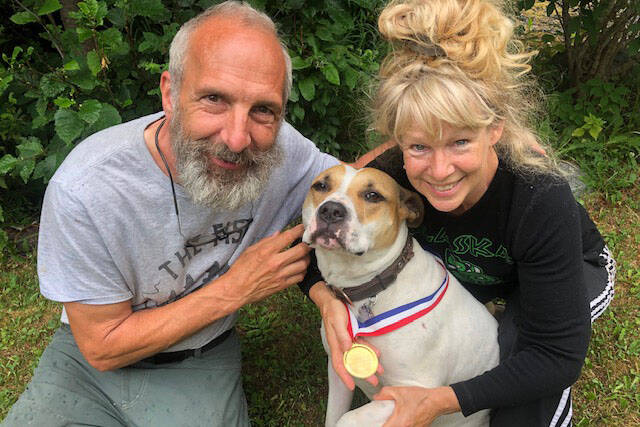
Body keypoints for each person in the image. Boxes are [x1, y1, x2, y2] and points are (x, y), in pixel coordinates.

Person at [3, 2, 338, 426]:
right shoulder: (87, 189)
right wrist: (234, 289)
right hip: (89, 364)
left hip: (199, 356)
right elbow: (102, 346)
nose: (237, 139)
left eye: (263, 110)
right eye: (214, 99)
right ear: (170, 93)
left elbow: (361, 184)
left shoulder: (283, 152)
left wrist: (434, 157)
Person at [300, 0, 616, 425]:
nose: (440, 171)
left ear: (495, 128)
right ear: (399, 142)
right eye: (419, 146)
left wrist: (439, 401)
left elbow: (557, 356)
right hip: (477, 271)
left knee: (521, 356)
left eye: (461, 142)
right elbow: (308, 237)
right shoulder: (389, 179)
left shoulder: (538, 196)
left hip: (572, 267)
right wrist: (326, 299)